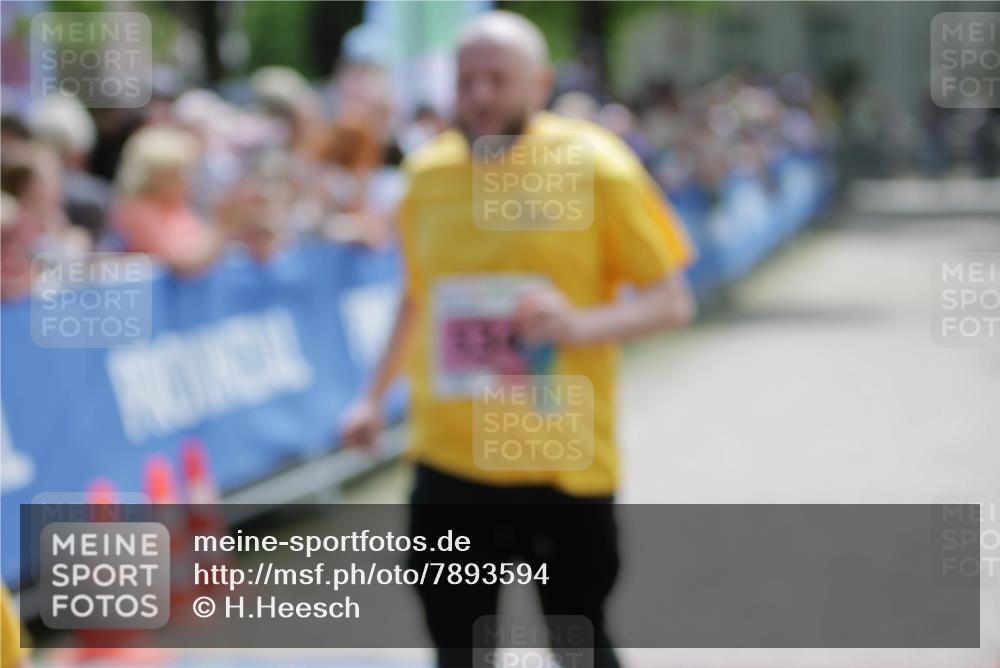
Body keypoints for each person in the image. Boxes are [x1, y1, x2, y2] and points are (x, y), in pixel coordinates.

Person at [340, 10, 696, 668]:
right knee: (458, 649)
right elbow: (417, 296)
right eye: (466, 79)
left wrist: (580, 325)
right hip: (449, 460)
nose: (477, 95)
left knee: (578, 639)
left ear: (540, 81)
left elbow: (672, 300)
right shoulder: (427, 177)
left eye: (496, 79)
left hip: (559, 459)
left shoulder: (597, 166)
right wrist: (370, 397)